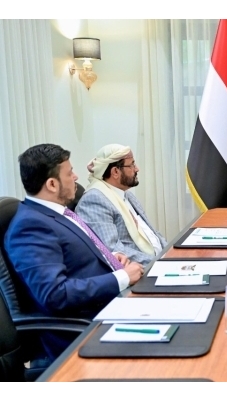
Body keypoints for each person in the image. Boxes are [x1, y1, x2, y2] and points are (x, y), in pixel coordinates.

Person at [4, 144, 144, 360]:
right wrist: (121, 277)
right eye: (70, 173)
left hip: (114, 305)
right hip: (87, 329)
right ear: (52, 184)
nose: (76, 177)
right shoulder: (30, 226)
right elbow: (55, 295)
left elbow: (77, 261)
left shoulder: (58, 213)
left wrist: (110, 260)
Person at [76, 144, 167, 266]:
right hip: (141, 270)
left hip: (160, 260)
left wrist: (170, 252)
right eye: (132, 165)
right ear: (115, 172)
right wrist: (159, 263)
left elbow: (152, 232)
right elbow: (113, 250)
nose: (137, 169)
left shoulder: (126, 194)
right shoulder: (94, 201)